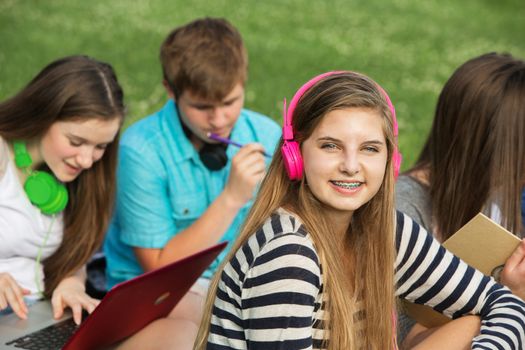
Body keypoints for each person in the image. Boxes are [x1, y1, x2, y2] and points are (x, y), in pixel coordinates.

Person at [195, 71, 525, 349]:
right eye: (330, 146)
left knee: (476, 323)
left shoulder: (388, 232)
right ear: (296, 157)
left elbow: (505, 303)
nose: (351, 166)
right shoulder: (288, 255)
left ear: (390, 162)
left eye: (369, 149)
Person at [103, 17, 280, 348]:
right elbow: (159, 269)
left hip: (237, 282)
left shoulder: (267, 135)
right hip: (161, 293)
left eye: (230, 102)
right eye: (202, 107)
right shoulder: (141, 150)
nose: (219, 119)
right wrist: (231, 198)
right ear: (171, 91)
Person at [395, 52, 525, 347]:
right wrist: (510, 301)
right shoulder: (403, 212)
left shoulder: (503, 197)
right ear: (489, 147)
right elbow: (403, 340)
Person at [0, 55, 125, 326]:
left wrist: (72, 284)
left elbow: (74, 254)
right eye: (76, 141)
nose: (86, 159)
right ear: (43, 115)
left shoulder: (78, 176)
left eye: (100, 146)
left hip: (33, 317)